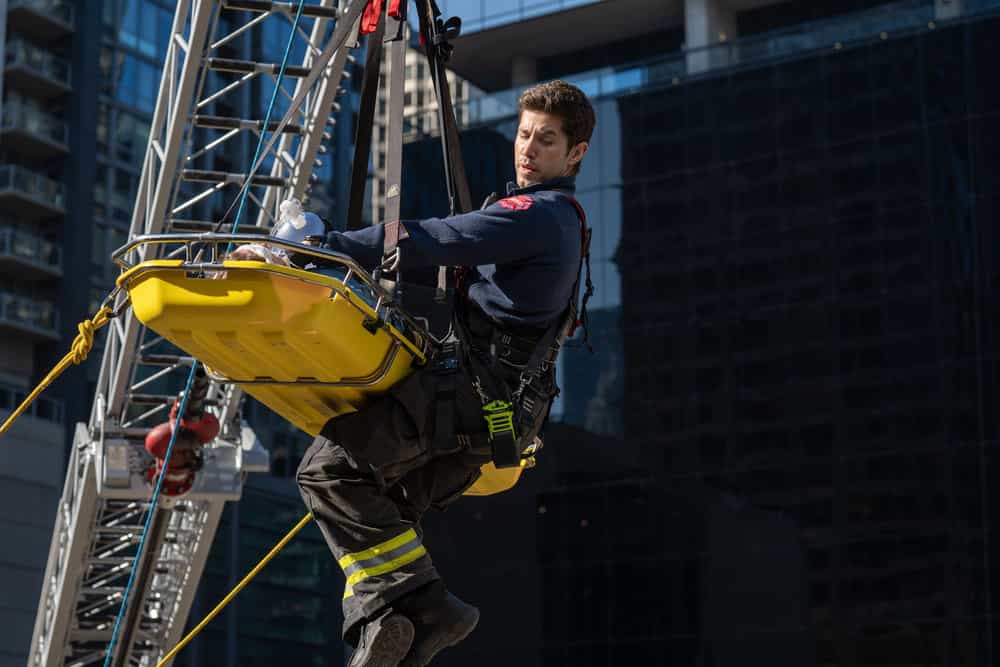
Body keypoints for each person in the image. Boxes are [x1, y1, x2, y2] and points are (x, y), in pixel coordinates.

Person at [295, 80, 595, 666]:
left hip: (472, 397)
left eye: (547, 140)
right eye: (525, 134)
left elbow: (435, 239)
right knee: (389, 504)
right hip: (504, 418)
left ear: (575, 154)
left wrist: (317, 245)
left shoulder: (538, 214)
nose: (528, 149)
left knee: (330, 474)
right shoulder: (563, 224)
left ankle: (427, 608)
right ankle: (405, 631)